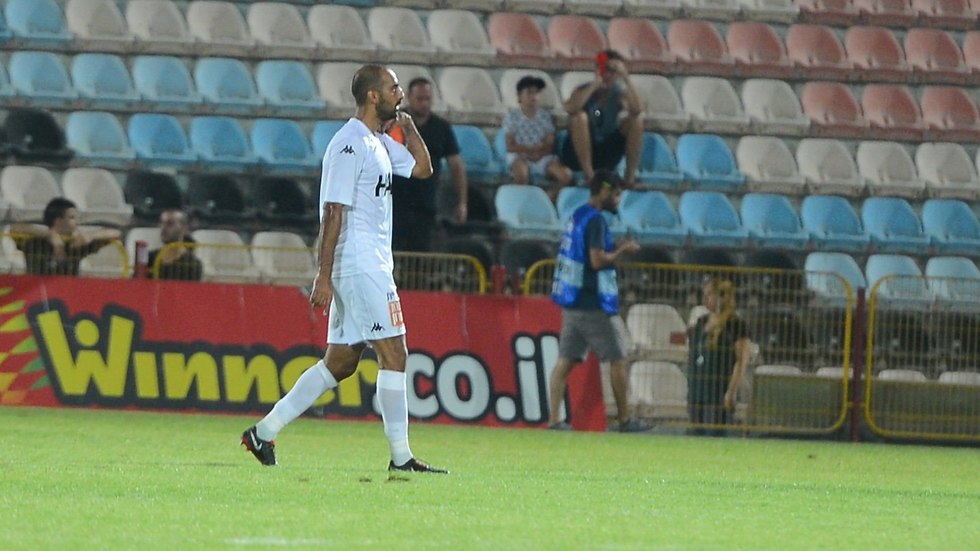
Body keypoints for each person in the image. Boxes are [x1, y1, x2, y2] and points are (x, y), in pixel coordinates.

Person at [242, 64, 447, 474]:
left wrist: (407, 127)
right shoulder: (349, 144)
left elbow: (423, 169)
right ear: (373, 96)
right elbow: (333, 210)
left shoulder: (379, 142)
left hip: (366, 262)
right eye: (393, 88)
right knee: (395, 353)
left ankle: (263, 432)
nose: (400, 94)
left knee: (340, 362)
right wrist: (323, 274)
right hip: (358, 262)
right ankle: (401, 457)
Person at [547, 170, 646, 433]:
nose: (618, 200)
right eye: (616, 194)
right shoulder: (597, 221)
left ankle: (554, 420)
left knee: (565, 362)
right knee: (619, 358)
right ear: (604, 191)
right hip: (593, 304)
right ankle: (625, 420)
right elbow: (596, 260)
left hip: (572, 301)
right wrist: (622, 249)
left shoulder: (578, 215)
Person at [390, 77, 468, 252]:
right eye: (420, 99)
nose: (424, 104)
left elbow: (456, 166)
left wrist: (462, 202)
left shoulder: (441, 127)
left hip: (425, 203)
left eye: (428, 99)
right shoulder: (393, 123)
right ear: (409, 97)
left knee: (421, 256)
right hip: (393, 201)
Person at [559, 50, 644, 187]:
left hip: (605, 151)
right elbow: (571, 109)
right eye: (606, 70)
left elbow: (637, 110)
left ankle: (629, 178)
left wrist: (626, 77)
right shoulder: (582, 90)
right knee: (579, 117)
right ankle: (590, 177)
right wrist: (594, 86)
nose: (608, 75)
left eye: (613, 71)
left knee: (636, 121)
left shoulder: (619, 94)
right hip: (579, 152)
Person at [687, 277, 752, 436]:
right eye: (705, 294)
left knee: (716, 434)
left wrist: (731, 391)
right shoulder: (701, 322)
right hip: (698, 389)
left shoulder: (736, 324)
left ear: (723, 297)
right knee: (694, 435)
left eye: (710, 294)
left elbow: (741, 361)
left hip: (718, 391)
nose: (705, 299)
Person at [502, 75, 573, 201]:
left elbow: (550, 143)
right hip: (519, 155)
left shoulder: (545, 116)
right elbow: (510, 146)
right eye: (529, 93)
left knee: (566, 175)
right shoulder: (511, 116)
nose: (533, 97)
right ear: (519, 96)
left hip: (542, 156)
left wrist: (538, 153)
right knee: (521, 175)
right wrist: (530, 151)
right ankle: (520, 203)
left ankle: (545, 200)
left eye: (536, 93)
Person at [10, 198, 121, 276]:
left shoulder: (77, 243)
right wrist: (50, 236)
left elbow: (117, 233)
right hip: (37, 290)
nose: (77, 222)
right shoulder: (35, 242)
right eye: (72, 218)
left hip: (67, 292)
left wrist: (91, 235)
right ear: (58, 221)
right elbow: (15, 228)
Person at [146, 209, 202, 281]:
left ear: (183, 228)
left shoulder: (192, 263)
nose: (163, 228)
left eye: (170, 224)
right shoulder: (150, 257)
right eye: (161, 223)